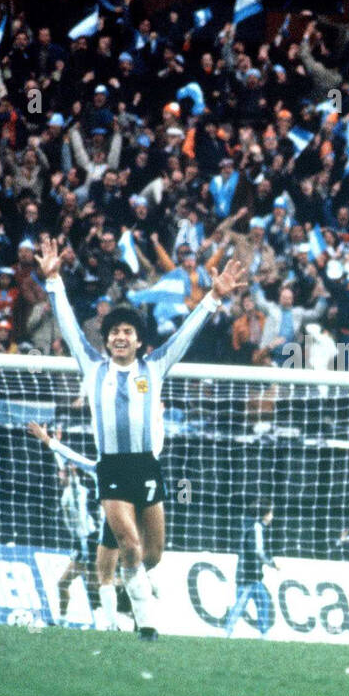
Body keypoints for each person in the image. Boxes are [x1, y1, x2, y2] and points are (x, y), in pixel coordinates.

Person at [36, 236, 248, 641]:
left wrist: (213, 298)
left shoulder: (155, 366)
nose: (119, 337)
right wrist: (54, 282)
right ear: (107, 337)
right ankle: (144, 622)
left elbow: (186, 334)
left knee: (152, 554)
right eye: (114, 331)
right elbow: (65, 322)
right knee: (130, 546)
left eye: (127, 332)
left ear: (138, 340)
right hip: (112, 467)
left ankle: (120, 591)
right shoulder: (92, 365)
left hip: (147, 467)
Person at [26, 421, 126, 630]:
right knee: (70, 583)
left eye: (63, 474)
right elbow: (65, 466)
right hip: (80, 541)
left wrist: (51, 442)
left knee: (98, 582)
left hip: (89, 541)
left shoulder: (76, 489)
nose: (59, 475)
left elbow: (68, 464)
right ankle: (63, 622)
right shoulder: (68, 490)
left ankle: (122, 603)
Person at [225, 503, 279, 638]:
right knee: (241, 604)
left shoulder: (252, 526)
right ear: (265, 514)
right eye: (271, 513)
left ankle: (264, 633)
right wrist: (271, 563)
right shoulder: (256, 528)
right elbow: (258, 551)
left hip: (253, 576)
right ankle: (226, 631)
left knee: (263, 601)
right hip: (248, 575)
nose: (272, 516)